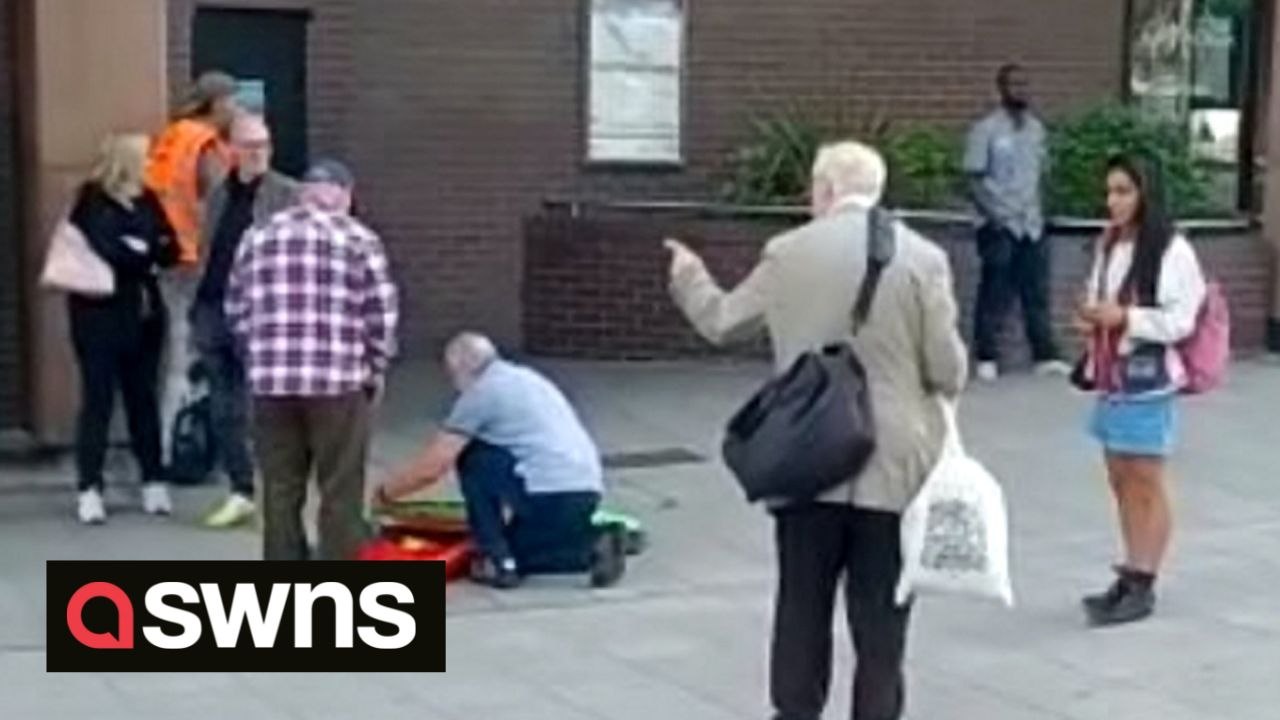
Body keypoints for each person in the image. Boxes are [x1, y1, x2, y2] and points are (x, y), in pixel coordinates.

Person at [665, 141, 967, 720]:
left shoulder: (788, 251)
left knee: (802, 601)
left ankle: (795, 711)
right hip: (894, 463)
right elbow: (947, 370)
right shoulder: (923, 258)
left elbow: (723, 322)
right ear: (876, 190)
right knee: (881, 615)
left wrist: (690, 276)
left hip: (808, 456)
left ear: (825, 190)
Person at [225, 159, 398, 560]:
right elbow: (381, 314)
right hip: (338, 383)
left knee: (279, 485)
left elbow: (235, 309)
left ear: (301, 194)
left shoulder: (256, 236)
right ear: (345, 196)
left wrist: (259, 356)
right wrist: (376, 365)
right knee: (340, 485)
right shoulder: (358, 239)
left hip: (270, 384)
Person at [374, 333, 627, 590]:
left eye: (451, 375)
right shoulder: (527, 379)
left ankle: (498, 559)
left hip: (544, 493)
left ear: (460, 369)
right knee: (529, 554)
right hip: (585, 490)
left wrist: (384, 494)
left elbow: (433, 467)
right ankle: (592, 546)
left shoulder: (481, 394)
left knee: (472, 456)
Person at [1077, 155, 1206, 627]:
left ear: (1145, 195)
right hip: (1112, 372)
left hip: (1148, 376)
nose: (1113, 201)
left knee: (1144, 478)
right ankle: (1131, 566)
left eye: (1124, 191)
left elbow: (1181, 319)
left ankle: (1144, 577)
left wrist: (1126, 318)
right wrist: (1092, 317)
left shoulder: (1173, 250)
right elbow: (1100, 296)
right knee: (1118, 473)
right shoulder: (1109, 244)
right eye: (1110, 191)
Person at [191, 114, 297, 529]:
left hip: (260, 314)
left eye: (264, 145)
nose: (258, 154)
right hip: (213, 308)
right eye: (249, 146)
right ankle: (241, 489)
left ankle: (277, 491)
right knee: (223, 405)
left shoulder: (287, 195)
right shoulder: (218, 194)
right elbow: (205, 248)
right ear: (230, 150)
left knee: (265, 407)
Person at [67, 134, 179, 524]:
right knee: (98, 401)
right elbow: (104, 249)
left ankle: (153, 480)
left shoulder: (147, 199)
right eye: (145, 158)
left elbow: (171, 247)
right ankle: (90, 488)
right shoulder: (91, 200)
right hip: (98, 318)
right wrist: (143, 251)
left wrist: (143, 249)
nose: (151, 164)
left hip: (144, 316)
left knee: (142, 399)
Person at [146, 71, 240, 471]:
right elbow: (220, 203)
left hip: (166, 257)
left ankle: (163, 443)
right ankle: (179, 446)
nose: (236, 110)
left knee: (174, 354)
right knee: (191, 354)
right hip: (196, 260)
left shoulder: (172, 137)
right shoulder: (205, 145)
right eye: (233, 101)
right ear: (216, 103)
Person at [964, 63, 1069, 382]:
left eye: (1025, 84)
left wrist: (1043, 210)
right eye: (1013, 85)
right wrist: (994, 215)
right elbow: (973, 178)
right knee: (995, 292)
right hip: (999, 223)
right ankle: (986, 356)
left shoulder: (1037, 130)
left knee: (1036, 291)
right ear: (1000, 90)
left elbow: (1042, 175)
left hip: (1031, 223)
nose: (1020, 90)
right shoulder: (986, 130)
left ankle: (1045, 355)